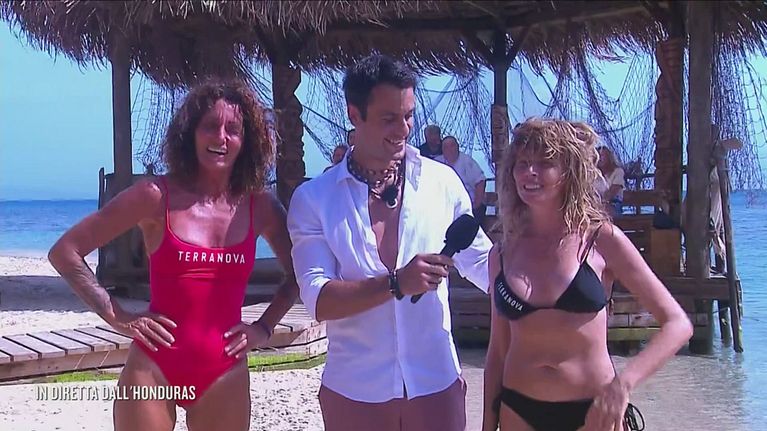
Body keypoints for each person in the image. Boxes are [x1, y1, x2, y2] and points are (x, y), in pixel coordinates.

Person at [48, 80, 299, 431]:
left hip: (225, 369)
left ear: (248, 141)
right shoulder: (154, 196)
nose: (221, 137)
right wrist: (117, 315)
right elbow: (65, 252)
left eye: (233, 129)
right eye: (210, 126)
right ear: (190, 133)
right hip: (154, 367)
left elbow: (301, 274)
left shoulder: (262, 207)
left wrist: (264, 327)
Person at [288, 54, 492, 431]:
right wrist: (396, 283)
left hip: (436, 385)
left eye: (409, 116)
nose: (403, 129)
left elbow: (482, 264)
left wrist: (543, 279)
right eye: (389, 118)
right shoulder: (314, 199)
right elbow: (318, 299)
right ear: (354, 114)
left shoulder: (442, 183)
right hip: (355, 392)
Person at [482, 118, 693, 431]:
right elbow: (498, 350)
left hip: (594, 412)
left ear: (569, 171)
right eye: (522, 163)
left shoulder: (601, 240)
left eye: (545, 163)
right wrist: (488, 425)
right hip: (518, 409)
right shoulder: (501, 253)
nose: (530, 172)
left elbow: (678, 324)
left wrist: (623, 384)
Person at [436, 135, 487, 223]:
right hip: (445, 208)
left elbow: (480, 181)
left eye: (452, 146)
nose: (449, 149)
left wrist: (475, 205)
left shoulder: (467, 161)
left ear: (457, 146)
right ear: (442, 150)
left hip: (468, 206)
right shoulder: (437, 163)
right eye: (446, 147)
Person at [596, 145, 625, 217]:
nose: (600, 158)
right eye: (598, 156)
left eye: (602, 156)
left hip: (613, 204)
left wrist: (602, 202)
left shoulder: (618, 171)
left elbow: (613, 191)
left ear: (609, 158)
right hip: (596, 205)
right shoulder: (594, 174)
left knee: (604, 210)